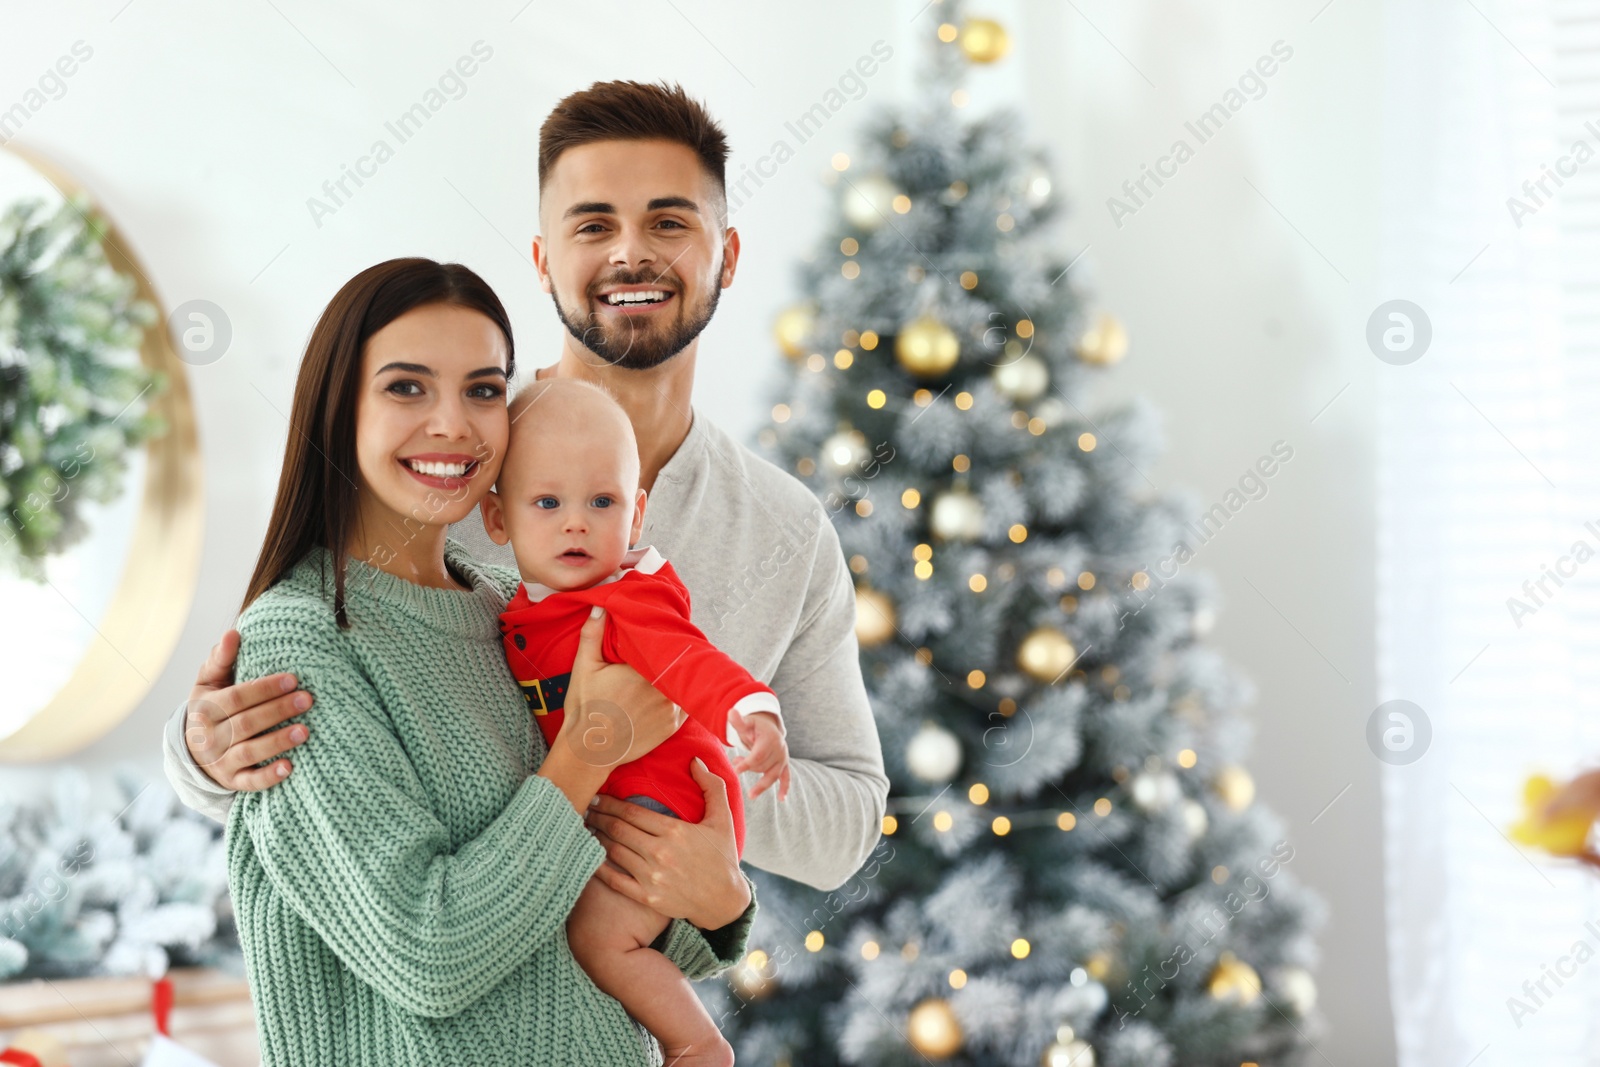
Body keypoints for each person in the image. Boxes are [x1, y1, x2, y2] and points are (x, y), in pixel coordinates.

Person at [167, 80, 888, 902]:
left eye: (669, 222)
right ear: (545, 261)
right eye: (593, 226)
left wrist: (692, 782)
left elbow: (851, 822)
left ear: (726, 254)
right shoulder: (448, 470)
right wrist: (197, 755)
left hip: (632, 1009)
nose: (629, 254)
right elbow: (300, 697)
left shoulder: (785, 530)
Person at [225, 256, 753, 1066]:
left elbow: (587, 938)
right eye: (406, 387)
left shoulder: (517, 612)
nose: (454, 424)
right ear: (340, 409)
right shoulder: (302, 643)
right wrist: (584, 753)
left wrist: (717, 904)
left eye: (482, 388)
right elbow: (428, 955)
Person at [487, 376, 788, 1067]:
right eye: (548, 501)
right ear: (497, 518)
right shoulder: (515, 607)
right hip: (635, 794)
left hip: (675, 795)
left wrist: (752, 711)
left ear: (637, 512)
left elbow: (690, 660)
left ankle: (693, 1041)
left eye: (602, 501)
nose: (576, 521)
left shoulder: (626, 601)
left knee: (598, 937)